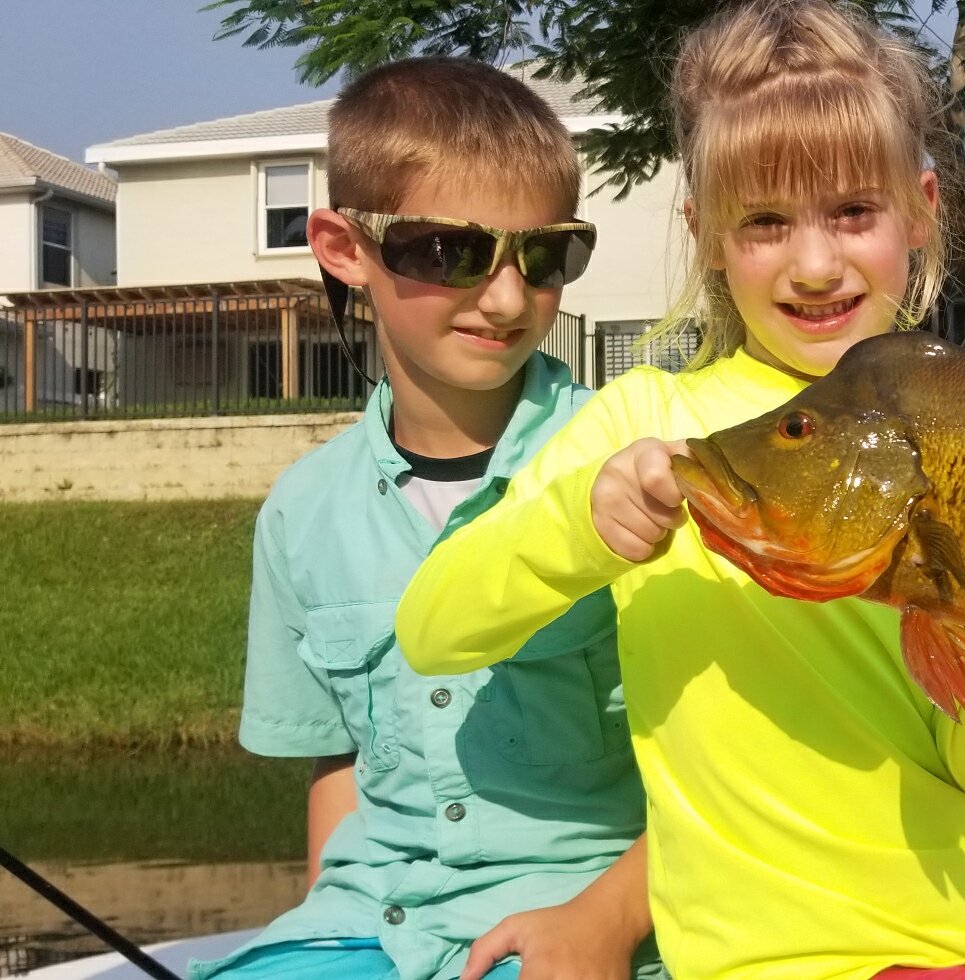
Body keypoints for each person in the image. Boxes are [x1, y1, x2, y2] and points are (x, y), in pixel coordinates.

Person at [396, 2, 965, 977]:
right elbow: (432, 626)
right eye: (764, 221)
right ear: (704, 231)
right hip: (797, 954)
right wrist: (582, 518)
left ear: (922, 207)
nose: (812, 262)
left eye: (852, 212)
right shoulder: (644, 429)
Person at [192, 58, 660, 980]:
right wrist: (324, 945)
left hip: (597, 924)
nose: (505, 297)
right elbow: (338, 774)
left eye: (545, 255)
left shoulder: (642, 464)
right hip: (368, 925)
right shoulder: (299, 513)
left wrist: (606, 927)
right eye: (449, 250)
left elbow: (730, 765)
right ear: (341, 246)